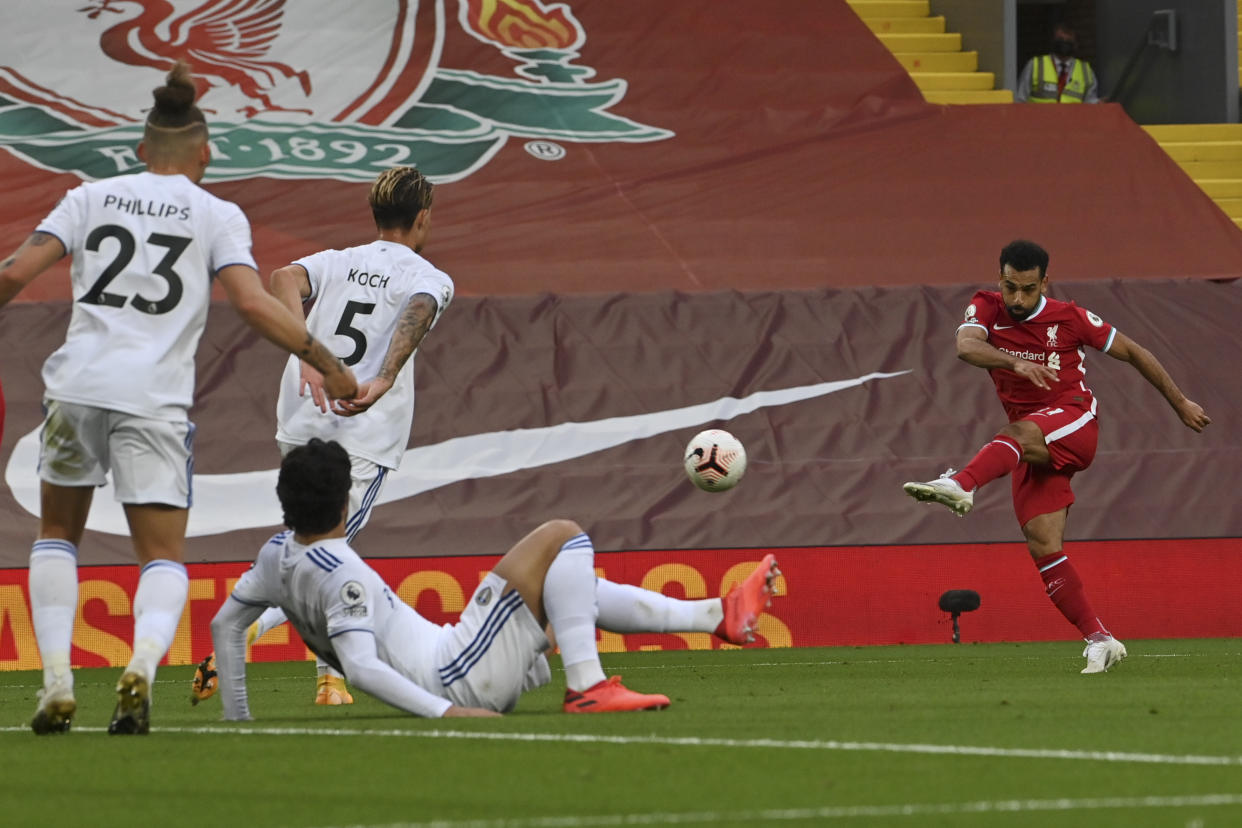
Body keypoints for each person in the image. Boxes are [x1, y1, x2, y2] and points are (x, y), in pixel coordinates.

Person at [0, 62, 357, 736]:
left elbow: (15, 272)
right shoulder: (216, 214)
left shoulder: (86, 198)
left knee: (56, 536)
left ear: (139, 150)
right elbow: (252, 302)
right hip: (153, 399)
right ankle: (137, 669)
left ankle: (55, 684)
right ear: (205, 153)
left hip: (75, 387)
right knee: (160, 556)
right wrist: (326, 362)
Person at [206, 439, 783, 719]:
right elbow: (360, 668)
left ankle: (712, 615)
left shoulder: (275, 554)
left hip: (457, 658)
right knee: (564, 535)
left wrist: (238, 718)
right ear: (343, 502)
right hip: (457, 674)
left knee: (568, 581)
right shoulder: (343, 572)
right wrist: (446, 713)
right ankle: (588, 686)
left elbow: (225, 624)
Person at [903, 239, 1210, 674]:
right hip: (1029, 447)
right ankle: (1100, 639)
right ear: (1000, 279)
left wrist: (1180, 404)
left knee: (1017, 432)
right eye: (1011, 287)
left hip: (1074, 423)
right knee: (1043, 544)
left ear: (1045, 282)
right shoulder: (986, 307)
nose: (1018, 298)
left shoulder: (1071, 317)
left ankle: (961, 485)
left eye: (1028, 289)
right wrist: (1014, 362)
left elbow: (1136, 353)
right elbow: (966, 347)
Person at [210, 166, 453, 706]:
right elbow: (419, 310)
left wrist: (307, 352)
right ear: (422, 218)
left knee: (312, 540)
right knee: (328, 550)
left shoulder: (337, 261)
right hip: (362, 429)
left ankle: (328, 677)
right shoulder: (430, 276)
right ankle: (248, 630)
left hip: (301, 416)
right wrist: (384, 377)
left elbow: (280, 280)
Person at [1015, 24, 1100, 104]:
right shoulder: (1035, 65)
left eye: (1068, 41)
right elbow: (1020, 99)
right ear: (1053, 41)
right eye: (1060, 40)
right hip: (1039, 119)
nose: (1064, 43)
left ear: (1076, 45)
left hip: (1071, 119)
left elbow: (1090, 104)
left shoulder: (1085, 71)